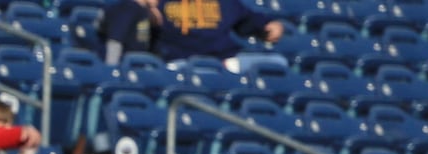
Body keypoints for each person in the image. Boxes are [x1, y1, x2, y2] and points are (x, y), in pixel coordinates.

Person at [100, 0, 288, 73]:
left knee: (278, 62)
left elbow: (250, 20)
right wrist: (147, 11)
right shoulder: (158, 3)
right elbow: (123, 17)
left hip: (226, 60)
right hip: (180, 63)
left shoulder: (226, 3)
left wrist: (270, 25)